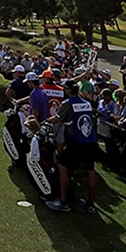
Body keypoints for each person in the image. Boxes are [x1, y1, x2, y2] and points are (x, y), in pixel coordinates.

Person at [45, 80, 98, 213]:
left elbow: (58, 118)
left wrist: (45, 121)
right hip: (90, 141)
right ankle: (90, 204)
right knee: (90, 171)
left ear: (68, 90)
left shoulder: (67, 104)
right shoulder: (86, 103)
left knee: (63, 167)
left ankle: (63, 202)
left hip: (76, 141)